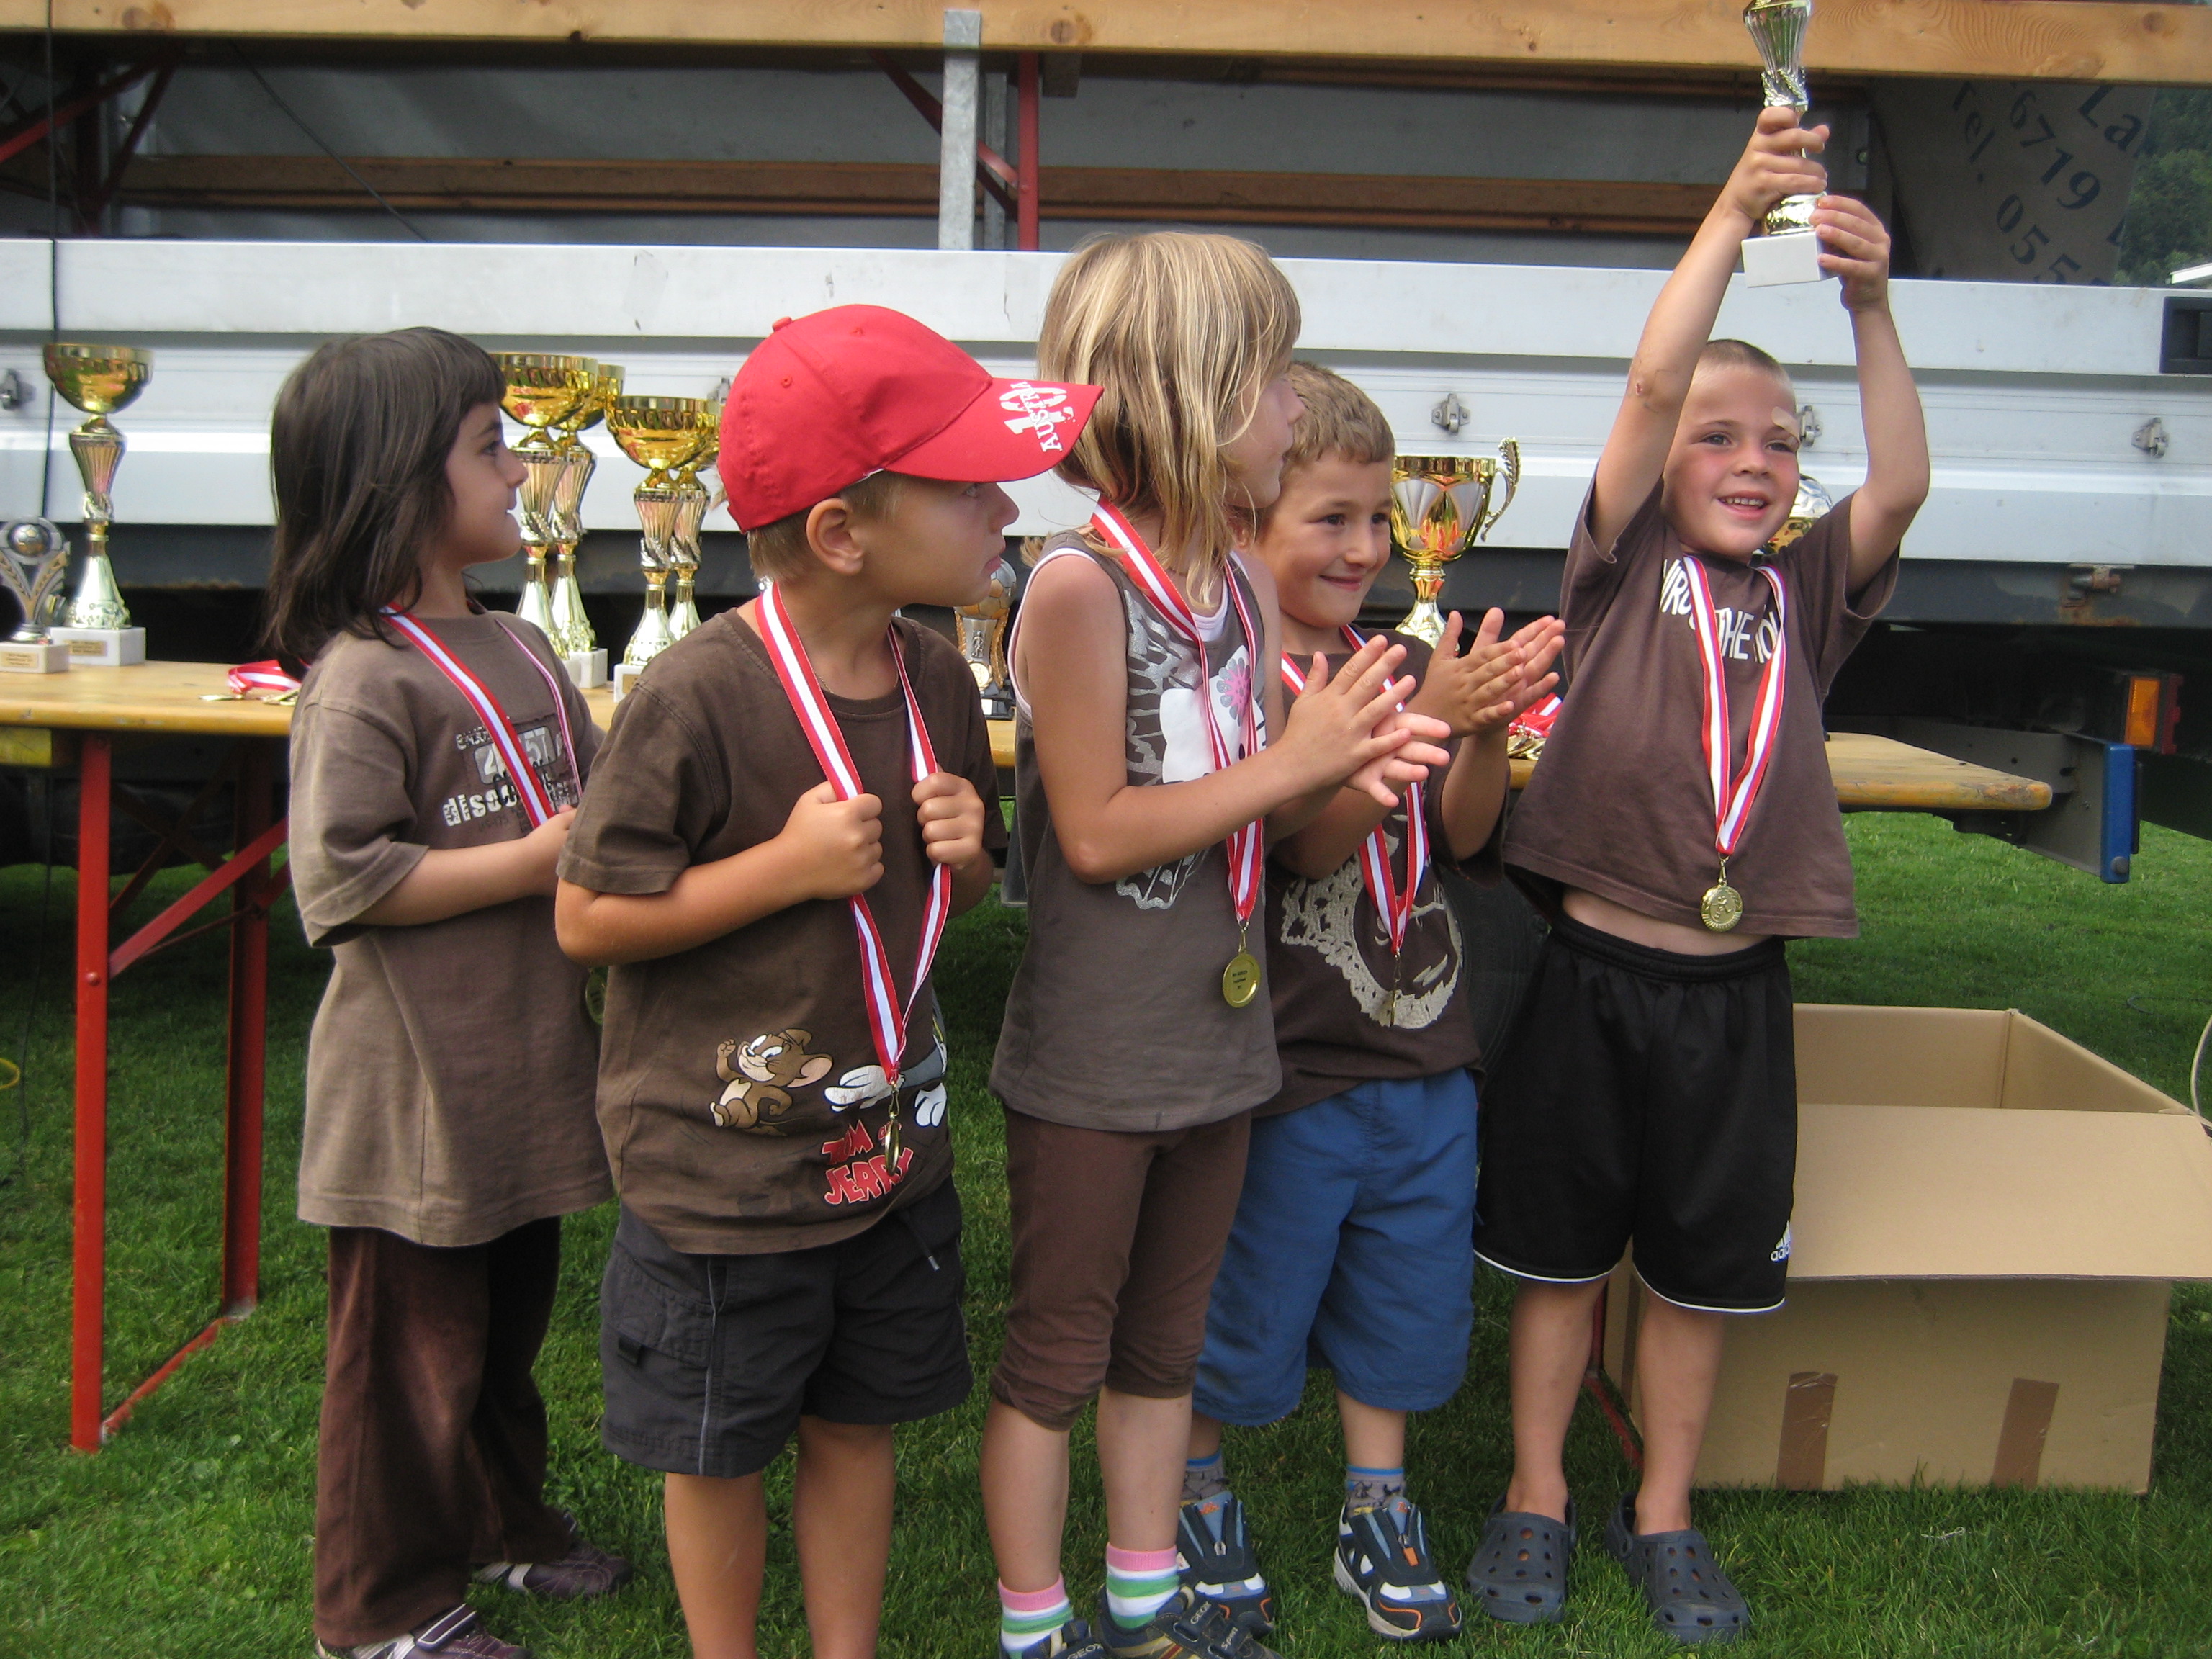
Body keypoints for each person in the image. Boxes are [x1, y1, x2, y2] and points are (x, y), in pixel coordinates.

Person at [554, 305, 1088, 1659]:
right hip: (725, 1183)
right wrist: (780, 871)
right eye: (968, 488)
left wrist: (971, 857)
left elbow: (946, 899)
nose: (1006, 509)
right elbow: (587, 916)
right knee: (720, 1447)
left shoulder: (937, 678)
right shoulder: (694, 696)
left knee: (860, 1422)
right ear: (846, 532)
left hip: (890, 1164)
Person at [1465, 108, 1930, 1645]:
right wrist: (1733, 217)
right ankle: (1537, 1488)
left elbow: (1902, 484)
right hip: (1595, 979)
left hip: (1735, 1000)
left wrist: (1872, 307)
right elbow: (1656, 381)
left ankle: (1661, 1508)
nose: (1752, 461)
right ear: (1660, 466)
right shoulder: (1621, 572)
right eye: (1719, 438)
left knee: (1699, 1274)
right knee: (1559, 1262)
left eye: (1781, 443)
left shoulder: (1806, 595)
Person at [983, 233, 1453, 1659]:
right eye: (1274, 379)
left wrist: (1346, 773)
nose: (1296, 409)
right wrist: (1291, 762)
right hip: (1097, 1062)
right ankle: (1035, 1627)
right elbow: (1095, 833)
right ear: (1193, 395)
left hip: (1219, 1046)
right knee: (1058, 1356)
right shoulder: (1079, 587)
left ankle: (1144, 1608)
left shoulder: (1237, 587)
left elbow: (1273, 824)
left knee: (1163, 1349)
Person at [1178, 363, 1563, 1646]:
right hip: (1294, 1066)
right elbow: (1303, 846)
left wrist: (1477, 730)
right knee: (1252, 1294)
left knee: (1407, 1289)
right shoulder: (1240, 682)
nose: (1363, 548)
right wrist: (1409, 730)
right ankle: (1195, 1487)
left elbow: (1464, 837)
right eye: (1330, 518)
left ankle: (1377, 1505)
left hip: (1427, 1054)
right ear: (1247, 520)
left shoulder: (1392, 664)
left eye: (1376, 519)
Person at [273, 327, 631, 1659]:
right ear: (397, 481)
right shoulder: (364, 679)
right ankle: (379, 1611)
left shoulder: (522, 646)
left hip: (518, 1080)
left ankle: (500, 1525)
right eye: (491, 448)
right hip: (415, 1100)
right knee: (403, 1369)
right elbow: (345, 880)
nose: (521, 470)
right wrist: (539, 858)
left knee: (498, 1335)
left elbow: (596, 796)